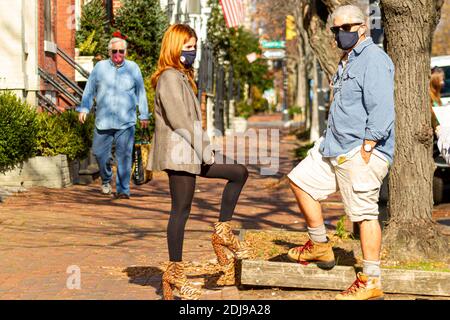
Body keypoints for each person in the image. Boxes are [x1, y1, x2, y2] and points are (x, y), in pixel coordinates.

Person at [286, 5, 395, 300]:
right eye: (335, 29)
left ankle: (371, 280)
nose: (339, 34)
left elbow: (382, 110)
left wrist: (368, 147)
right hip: (333, 147)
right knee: (300, 181)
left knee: (364, 215)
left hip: (361, 151)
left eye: (344, 28)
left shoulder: (374, 60)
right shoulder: (347, 60)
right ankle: (320, 245)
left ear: (362, 27)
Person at [148, 24, 250, 300]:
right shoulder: (169, 77)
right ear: (174, 47)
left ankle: (222, 233)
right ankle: (175, 276)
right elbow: (181, 121)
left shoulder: (180, 76)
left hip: (191, 152)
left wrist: (204, 149)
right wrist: (206, 151)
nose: (193, 52)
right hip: (180, 154)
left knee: (238, 173)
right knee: (180, 210)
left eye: (194, 47)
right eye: (188, 47)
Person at [77, 32, 149, 199]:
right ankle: (106, 178)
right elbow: (89, 89)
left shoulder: (133, 68)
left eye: (121, 51)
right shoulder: (100, 67)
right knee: (99, 153)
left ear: (126, 52)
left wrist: (143, 115)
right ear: (109, 52)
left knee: (124, 156)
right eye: (114, 51)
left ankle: (123, 190)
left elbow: (141, 93)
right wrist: (84, 109)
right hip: (103, 121)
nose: (118, 54)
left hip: (126, 122)